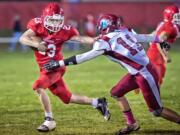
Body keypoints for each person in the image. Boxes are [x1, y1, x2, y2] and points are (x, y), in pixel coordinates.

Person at [43, 14, 180, 134]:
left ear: (104, 25)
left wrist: (58, 63)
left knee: (157, 111)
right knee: (116, 93)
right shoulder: (125, 32)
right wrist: (161, 40)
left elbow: (83, 57)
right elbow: (143, 37)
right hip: (138, 72)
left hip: (145, 74)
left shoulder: (105, 42)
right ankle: (132, 124)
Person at [19, 3, 110, 132]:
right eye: (52, 20)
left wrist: (94, 40)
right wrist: (36, 44)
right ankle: (98, 102)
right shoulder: (37, 24)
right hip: (44, 68)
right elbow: (22, 38)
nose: (55, 24)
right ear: (45, 17)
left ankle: (49, 120)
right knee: (67, 98)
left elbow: (80, 39)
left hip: (55, 66)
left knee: (38, 86)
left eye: (58, 21)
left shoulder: (65, 30)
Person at [147, 5, 180, 85]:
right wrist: (165, 55)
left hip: (153, 52)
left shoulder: (163, 23)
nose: (178, 18)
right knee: (157, 79)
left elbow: (153, 35)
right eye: (176, 16)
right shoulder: (170, 27)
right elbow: (159, 40)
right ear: (169, 16)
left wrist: (151, 44)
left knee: (156, 78)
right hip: (157, 55)